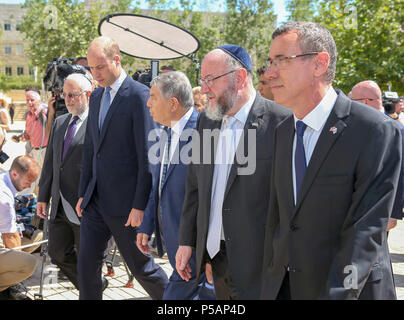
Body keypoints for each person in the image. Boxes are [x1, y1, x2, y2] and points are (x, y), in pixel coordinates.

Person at [261, 21, 400, 300]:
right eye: (269, 62)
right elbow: (279, 220)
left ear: (319, 64)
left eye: (282, 61)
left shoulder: (373, 130)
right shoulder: (282, 131)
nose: (270, 72)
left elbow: (365, 231)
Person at [175, 44, 291, 300]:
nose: (204, 89)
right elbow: (195, 186)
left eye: (210, 80)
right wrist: (188, 241)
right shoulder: (207, 120)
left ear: (239, 78)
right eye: (202, 80)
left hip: (261, 266)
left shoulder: (282, 122)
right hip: (217, 259)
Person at [75, 36, 168, 300]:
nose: (96, 73)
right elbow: (92, 148)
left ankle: (179, 302)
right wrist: (84, 192)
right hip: (95, 202)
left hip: (127, 207)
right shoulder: (96, 97)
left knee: (143, 269)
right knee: (86, 267)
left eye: (100, 67)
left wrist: (140, 205)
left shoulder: (139, 96)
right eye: (91, 68)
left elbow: (148, 156)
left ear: (116, 60)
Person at [136, 71, 215, 300]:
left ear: (172, 103)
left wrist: (189, 243)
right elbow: (159, 183)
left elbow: (206, 196)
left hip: (194, 252)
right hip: (176, 247)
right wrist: (147, 225)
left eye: (153, 97)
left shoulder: (204, 132)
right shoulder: (163, 132)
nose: (148, 103)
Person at [36, 73, 92, 290]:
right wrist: (43, 196)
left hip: (83, 205)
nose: (68, 100)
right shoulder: (60, 122)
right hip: (59, 204)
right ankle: (92, 285)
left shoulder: (97, 125)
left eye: (73, 95)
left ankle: (90, 288)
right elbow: (51, 162)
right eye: (65, 95)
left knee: (89, 258)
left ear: (87, 95)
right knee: (57, 252)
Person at [349, 80, 404, 230]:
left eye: (351, 100)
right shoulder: (358, 124)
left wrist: (393, 212)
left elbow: (400, 172)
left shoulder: (395, 129)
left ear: (365, 101)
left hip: (380, 209)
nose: (349, 105)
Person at [0, 155, 40, 300]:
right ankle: (11, 285)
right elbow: (9, 237)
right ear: (15, 174)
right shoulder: (3, 197)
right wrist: (18, 259)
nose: (29, 186)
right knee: (28, 263)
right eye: (28, 181)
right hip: (4, 236)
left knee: (37, 237)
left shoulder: (4, 176)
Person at [17, 86, 49, 194]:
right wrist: (24, 137)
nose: (30, 103)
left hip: (44, 151)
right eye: (27, 100)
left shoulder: (45, 111)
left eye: (32, 100)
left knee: (39, 180)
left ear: (39, 100)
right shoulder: (29, 115)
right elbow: (29, 134)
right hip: (34, 151)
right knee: (30, 179)